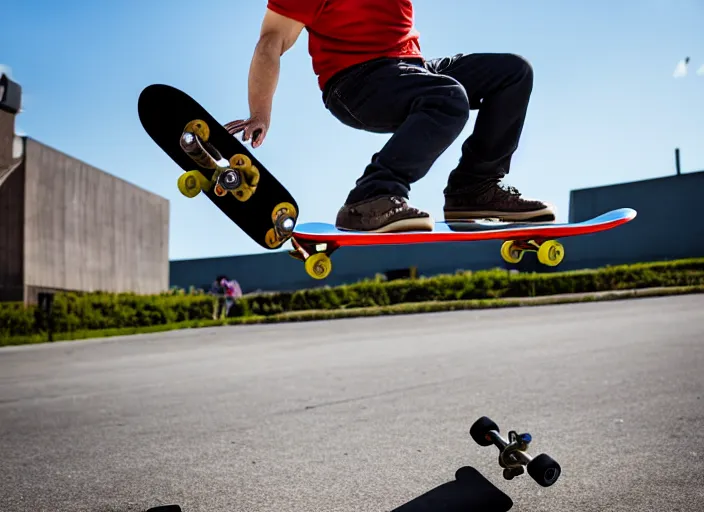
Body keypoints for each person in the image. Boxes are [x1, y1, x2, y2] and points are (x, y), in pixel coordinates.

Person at [225, 0, 556, 233]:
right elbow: (271, 41)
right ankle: (371, 197)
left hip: (411, 67)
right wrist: (260, 113)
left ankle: (475, 190)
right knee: (448, 97)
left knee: (512, 72)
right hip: (355, 81)